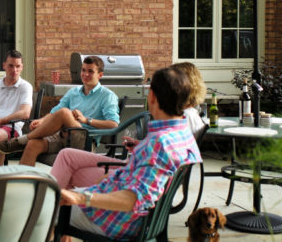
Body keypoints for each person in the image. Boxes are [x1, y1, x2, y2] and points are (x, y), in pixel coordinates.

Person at [56, 67, 201, 240]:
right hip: (126, 212)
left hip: (114, 219)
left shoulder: (159, 143)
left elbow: (134, 199)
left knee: (41, 207)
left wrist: (81, 197)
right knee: (65, 181)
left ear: (152, 97)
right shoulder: (181, 133)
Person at [51, 62, 208, 190]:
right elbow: (163, 156)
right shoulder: (186, 119)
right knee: (67, 155)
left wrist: (91, 194)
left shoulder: (178, 123)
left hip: (132, 174)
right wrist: (141, 145)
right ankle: (54, 213)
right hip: (136, 168)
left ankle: (53, 215)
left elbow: (150, 173)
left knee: (71, 170)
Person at [0, 56, 120, 166]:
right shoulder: (74, 92)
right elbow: (55, 112)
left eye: (90, 71)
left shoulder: (107, 96)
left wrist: (87, 120)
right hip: (62, 135)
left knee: (65, 113)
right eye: (83, 70)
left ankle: (21, 140)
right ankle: (25, 186)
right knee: (33, 144)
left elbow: (113, 124)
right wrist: (41, 120)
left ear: (100, 75)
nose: (85, 74)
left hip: (84, 139)